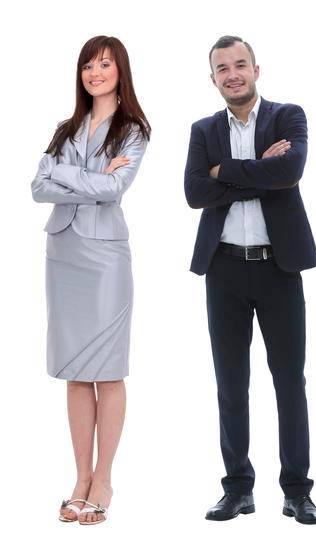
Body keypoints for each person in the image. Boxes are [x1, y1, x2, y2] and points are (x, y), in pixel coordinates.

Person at [184, 35, 316, 525]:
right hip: (223, 268)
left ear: (256, 69)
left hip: (278, 267)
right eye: (222, 68)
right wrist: (259, 168)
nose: (232, 74)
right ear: (214, 78)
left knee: (290, 381)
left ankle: (297, 491)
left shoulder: (288, 116)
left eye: (239, 64)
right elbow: (195, 191)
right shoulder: (204, 130)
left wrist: (232, 172)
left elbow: (290, 171)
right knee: (231, 384)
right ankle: (238, 488)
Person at [32, 35, 149, 526]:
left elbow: (115, 188)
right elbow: (38, 187)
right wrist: (92, 174)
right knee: (75, 370)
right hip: (63, 252)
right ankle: (80, 477)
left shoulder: (134, 129)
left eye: (104, 64)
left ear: (120, 70)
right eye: (87, 65)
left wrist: (70, 175)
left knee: (107, 369)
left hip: (104, 257)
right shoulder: (66, 128)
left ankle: (104, 478)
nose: (94, 72)